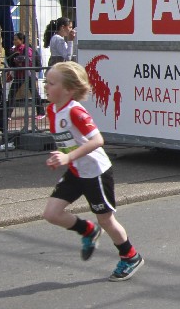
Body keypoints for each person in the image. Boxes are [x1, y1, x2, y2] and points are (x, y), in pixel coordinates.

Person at [41, 61, 144, 281]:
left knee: (106, 220)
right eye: (46, 82)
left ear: (68, 90)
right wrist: (59, 156)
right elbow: (70, 141)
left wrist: (68, 157)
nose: (45, 86)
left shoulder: (75, 111)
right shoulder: (52, 110)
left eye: (51, 83)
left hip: (96, 172)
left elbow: (97, 140)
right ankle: (87, 230)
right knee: (51, 214)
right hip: (76, 170)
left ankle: (130, 256)